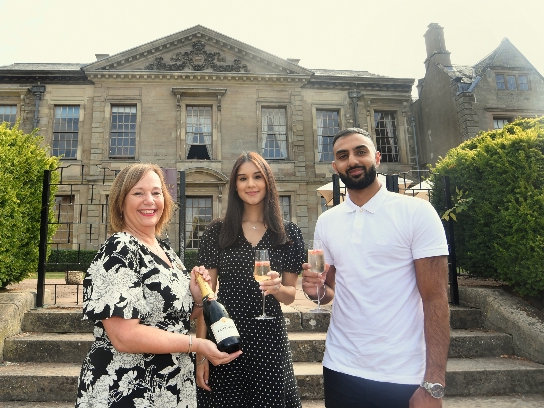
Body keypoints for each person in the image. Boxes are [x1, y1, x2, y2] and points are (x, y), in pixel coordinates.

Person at [302, 128, 450, 408]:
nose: (352, 161)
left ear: (377, 157)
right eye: (343, 156)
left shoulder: (416, 213)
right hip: (341, 366)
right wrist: (314, 290)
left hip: (403, 372)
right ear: (335, 167)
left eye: (361, 152)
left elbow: (436, 299)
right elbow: (327, 291)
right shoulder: (327, 221)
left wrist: (434, 383)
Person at [76, 163, 241, 408]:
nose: (149, 200)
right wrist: (196, 345)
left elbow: (175, 318)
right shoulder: (120, 248)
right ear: (121, 201)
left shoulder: (165, 251)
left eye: (156, 192)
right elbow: (124, 336)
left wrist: (196, 298)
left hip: (170, 388)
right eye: (138, 193)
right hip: (128, 390)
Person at [195, 152, 305, 407]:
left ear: (268, 182)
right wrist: (201, 352)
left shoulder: (288, 233)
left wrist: (277, 288)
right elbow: (205, 296)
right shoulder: (218, 231)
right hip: (225, 337)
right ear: (235, 185)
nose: (251, 184)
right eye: (243, 178)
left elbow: (290, 296)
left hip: (269, 341)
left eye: (257, 177)